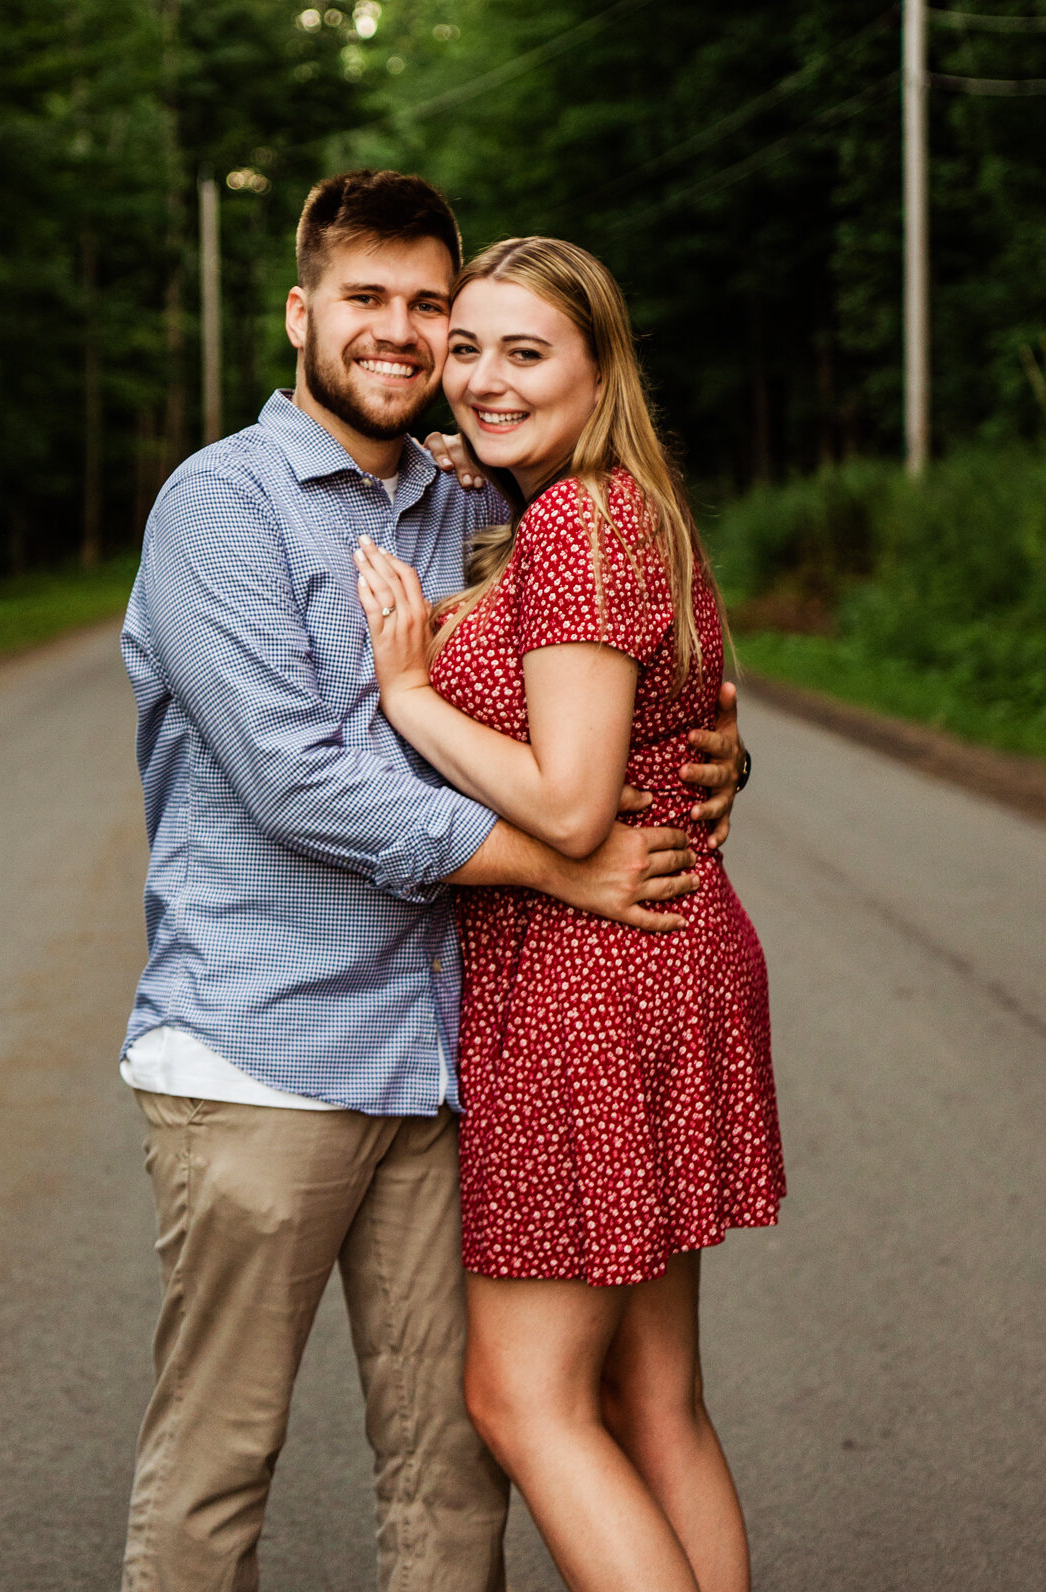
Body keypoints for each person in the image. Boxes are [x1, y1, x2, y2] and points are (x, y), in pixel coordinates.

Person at [117, 172, 748, 1592]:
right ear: (300, 314)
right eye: (369, 303)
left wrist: (715, 748)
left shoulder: (472, 496)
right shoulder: (218, 505)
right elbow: (297, 782)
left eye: (431, 309)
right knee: (219, 1463)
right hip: (263, 1058)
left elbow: (597, 684)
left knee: (458, 1478)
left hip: (444, 1058)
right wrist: (567, 867)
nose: (406, 338)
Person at [353, 235, 785, 1592]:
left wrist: (413, 697)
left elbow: (576, 799)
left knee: (525, 1400)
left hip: (587, 989)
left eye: (523, 351)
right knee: (652, 1404)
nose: (480, 377)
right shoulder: (608, 508)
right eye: (466, 347)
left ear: (600, 371)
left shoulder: (578, 523)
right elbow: (669, 731)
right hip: (652, 961)